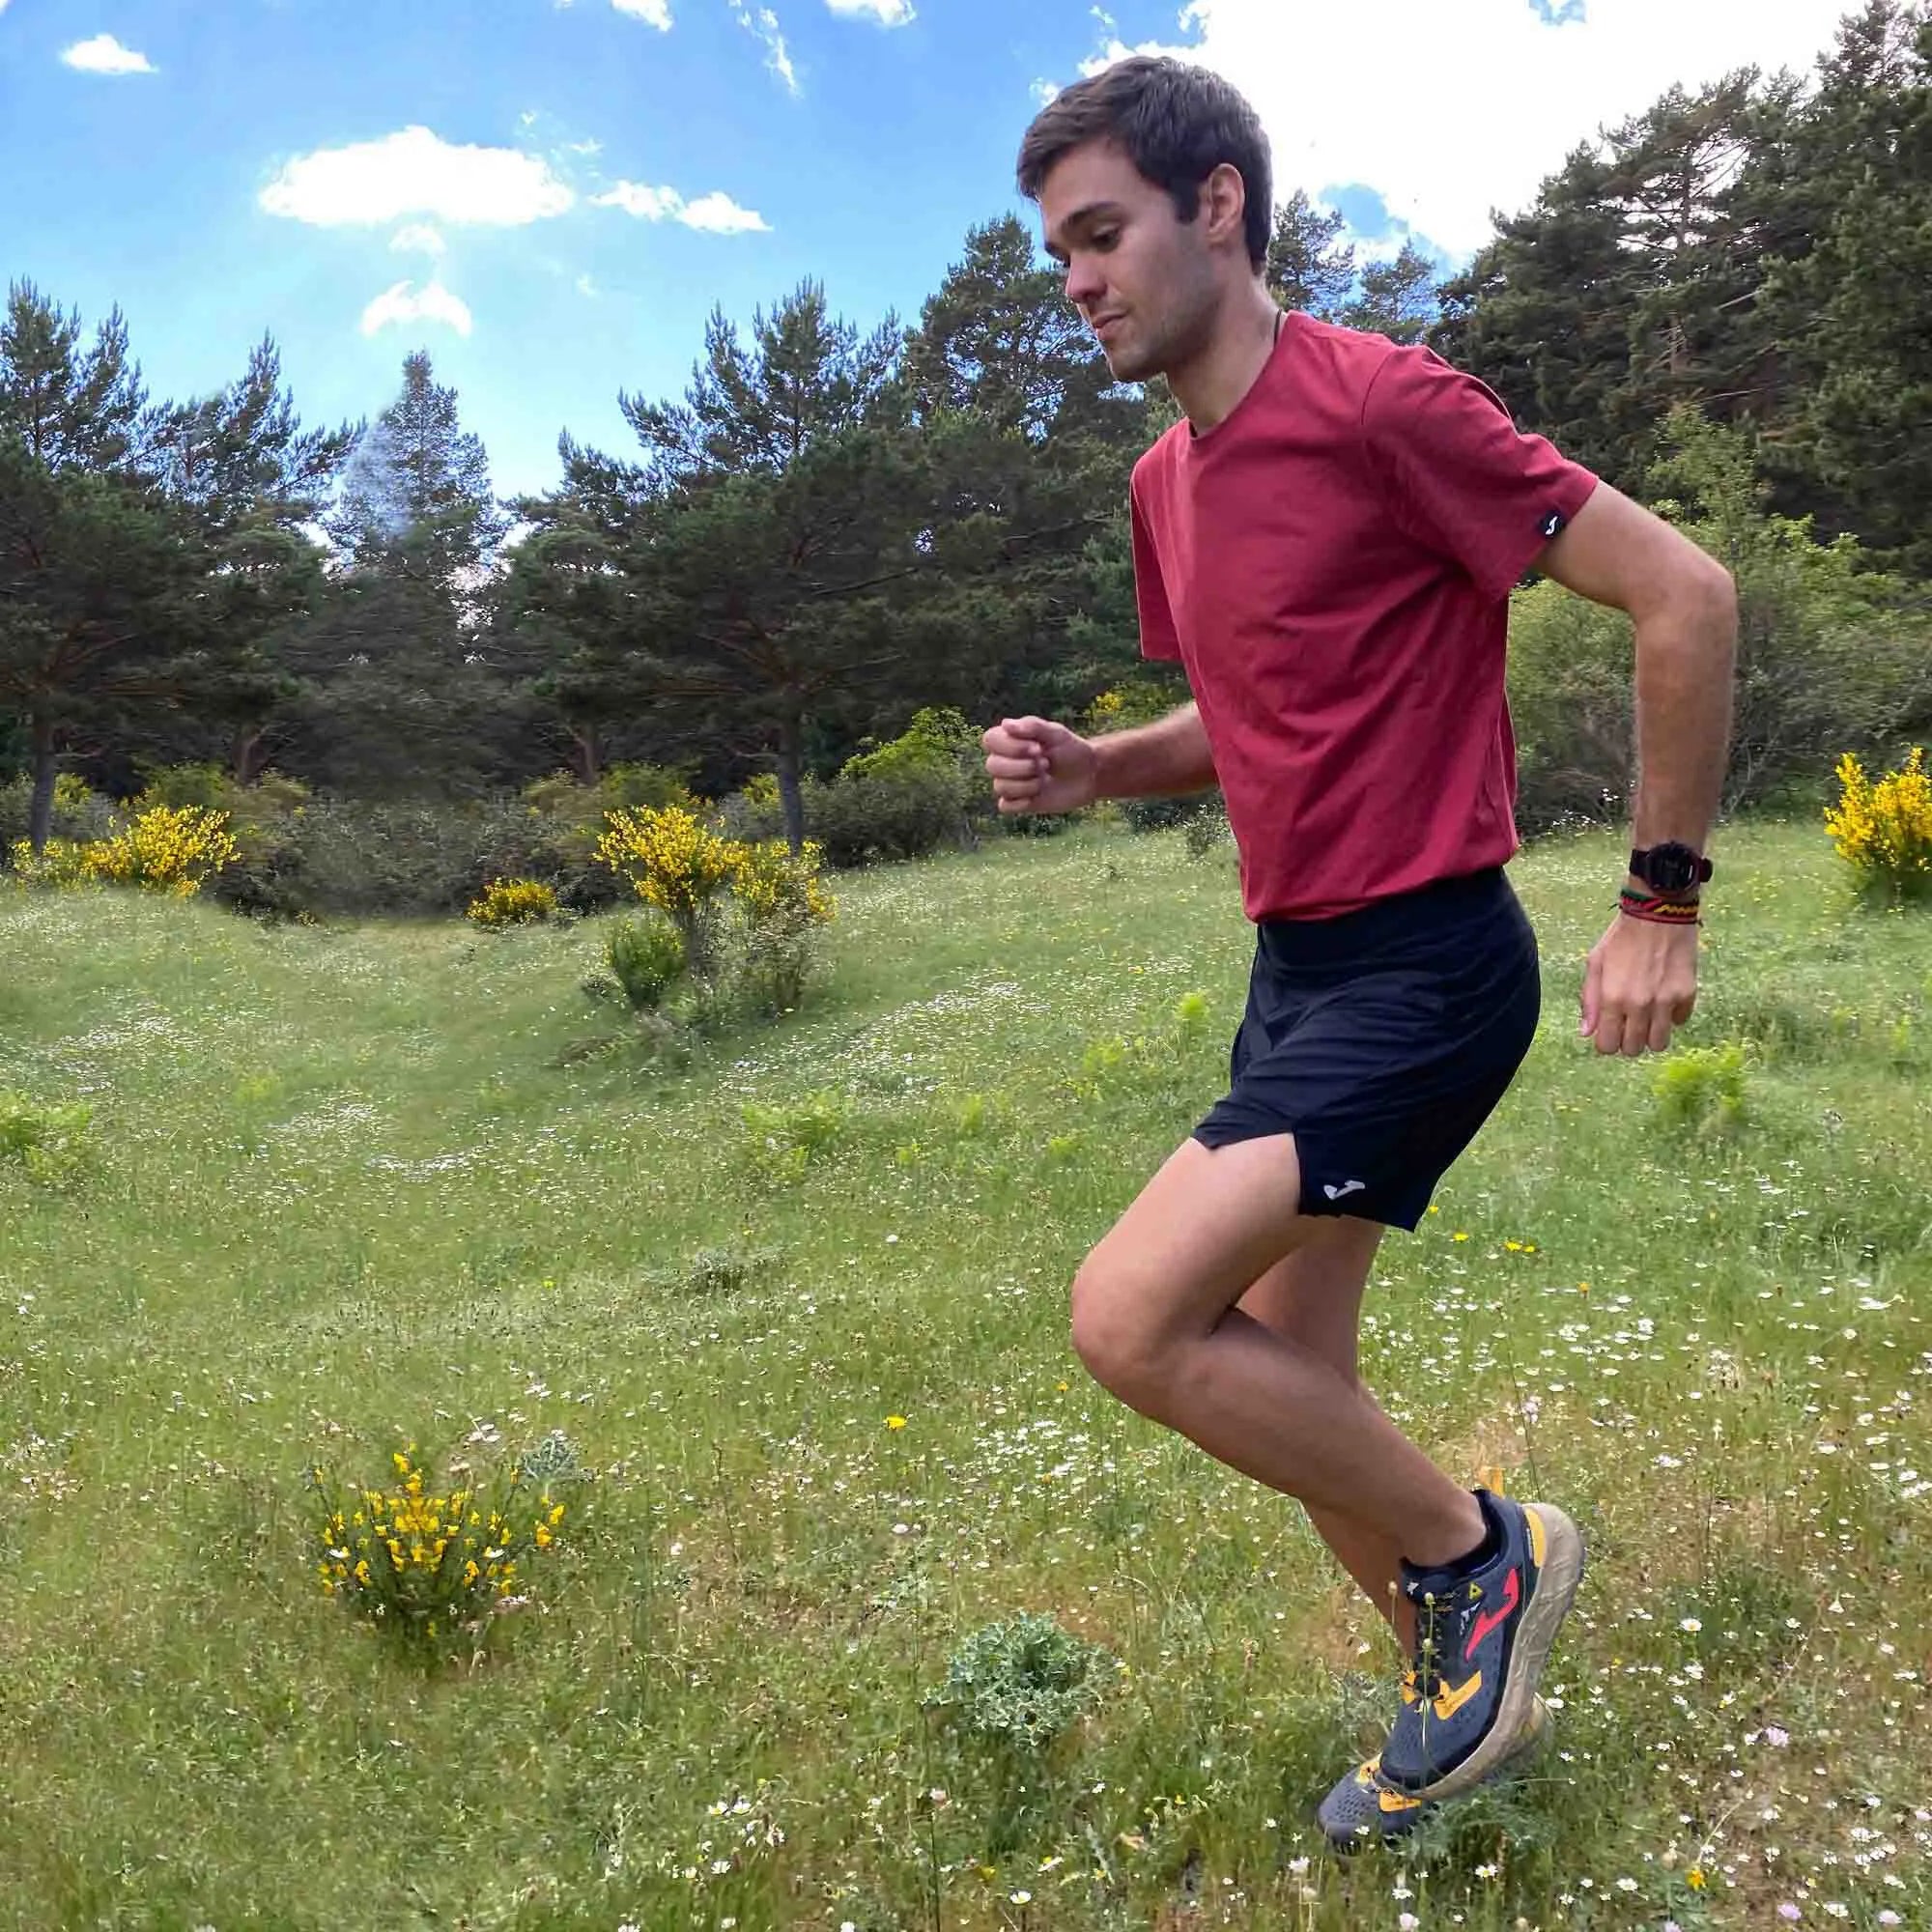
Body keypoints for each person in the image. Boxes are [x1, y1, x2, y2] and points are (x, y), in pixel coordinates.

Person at [982, 56, 1736, 1848]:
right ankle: (1470, 1720)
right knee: (1285, 1379)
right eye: (1058, 256)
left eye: (1102, 236)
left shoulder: (1386, 404)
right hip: (1296, 971)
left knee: (1132, 1317)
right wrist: (1105, 768)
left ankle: (1490, 1557)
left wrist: (1662, 900)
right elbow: (1248, 718)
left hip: (1428, 965)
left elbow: (1682, 591)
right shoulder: (1167, 486)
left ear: (1217, 205)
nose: (1078, 280)